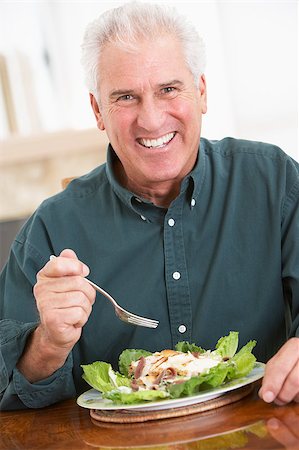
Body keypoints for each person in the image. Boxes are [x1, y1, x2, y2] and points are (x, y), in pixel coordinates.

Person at [0, 1, 298, 411]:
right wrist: (47, 345)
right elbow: (11, 393)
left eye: (169, 89)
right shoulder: (51, 230)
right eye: (126, 97)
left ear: (202, 93)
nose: (153, 120)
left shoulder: (274, 181)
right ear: (97, 111)